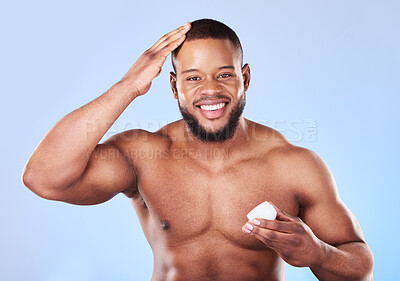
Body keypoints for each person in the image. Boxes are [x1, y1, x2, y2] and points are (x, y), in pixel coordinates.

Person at [22, 18, 374, 281]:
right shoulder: (145, 154)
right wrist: (128, 86)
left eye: (224, 75)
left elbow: (360, 267)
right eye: (193, 77)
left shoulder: (293, 164)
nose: (210, 90)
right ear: (173, 86)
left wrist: (317, 253)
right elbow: (44, 178)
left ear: (245, 78)